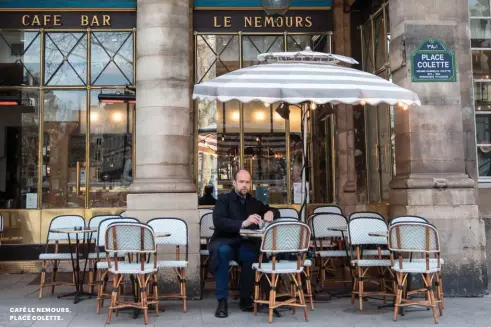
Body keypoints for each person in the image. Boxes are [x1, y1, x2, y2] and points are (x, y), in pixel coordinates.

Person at [208, 169, 280, 318]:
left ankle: (245, 298)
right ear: (234, 183)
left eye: (247, 182)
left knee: (251, 255)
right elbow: (219, 222)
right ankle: (222, 302)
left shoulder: (254, 202)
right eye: (241, 182)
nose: (244, 185)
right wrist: (243, 223)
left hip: (243, 243)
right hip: (225, 241)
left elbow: (272, 209)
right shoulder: (223, 200)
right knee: (222, 253)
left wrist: (271, 213)